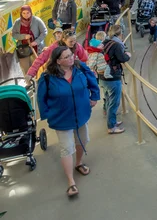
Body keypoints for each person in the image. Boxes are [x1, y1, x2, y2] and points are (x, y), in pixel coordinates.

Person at [37, 45, 100, 197]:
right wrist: (49, 115)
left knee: (83, 140)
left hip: (81, 114)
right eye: (66, 57)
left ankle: (78, 162)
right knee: (67, 147)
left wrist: (94, 97)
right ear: (58, 61)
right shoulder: (47, 78)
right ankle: (71, 182)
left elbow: (92, 82)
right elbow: (41, 98)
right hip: (61, 118)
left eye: (71, 54)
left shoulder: (80, 68)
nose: (71, 57)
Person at [101, 25, 130, 134]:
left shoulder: (106, 42)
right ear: (120, 34)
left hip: (103, 76)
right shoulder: (117, 45)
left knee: (109, 101)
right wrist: (128, 55)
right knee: (114, 103)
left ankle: (112, 121)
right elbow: (122, 58)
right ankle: (111, 127)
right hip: (112, 78)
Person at [12, 5, 47, 72]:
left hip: (37, 48)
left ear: (31, 12)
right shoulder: (17, 22)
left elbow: (44, 32)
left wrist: (36, 42)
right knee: (27, 70)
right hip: (23, 50)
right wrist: (24, 36)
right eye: (24, 13)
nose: (26, 15)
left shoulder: (37, 20)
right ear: (21, 13)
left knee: (39, 68)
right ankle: (30, 82)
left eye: (28, 13)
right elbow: (14, 34)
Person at [86, 32, 110, 116]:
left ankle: (106, 107)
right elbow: (92, 65)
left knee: (106, 91)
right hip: (100, 74)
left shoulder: (91, 52)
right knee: (106, 92)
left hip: (99, 74)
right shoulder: (97, 53)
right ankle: (106, 108)